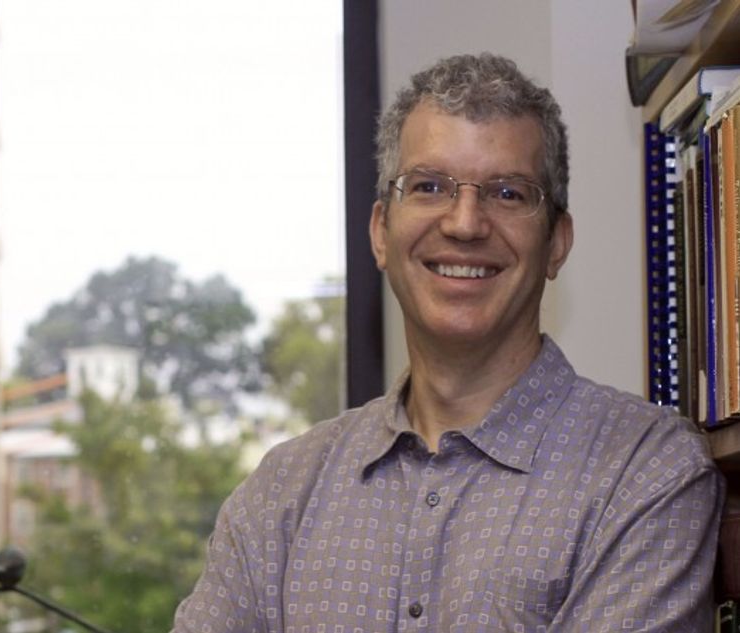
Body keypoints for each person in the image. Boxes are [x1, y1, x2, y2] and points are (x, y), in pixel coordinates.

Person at [171, 53, 724, 632]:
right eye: (430, 186)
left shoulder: (645, 474)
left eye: (508, 194)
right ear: (382, 232)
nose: (464, 223)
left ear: (557, 243)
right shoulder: (280, 497)